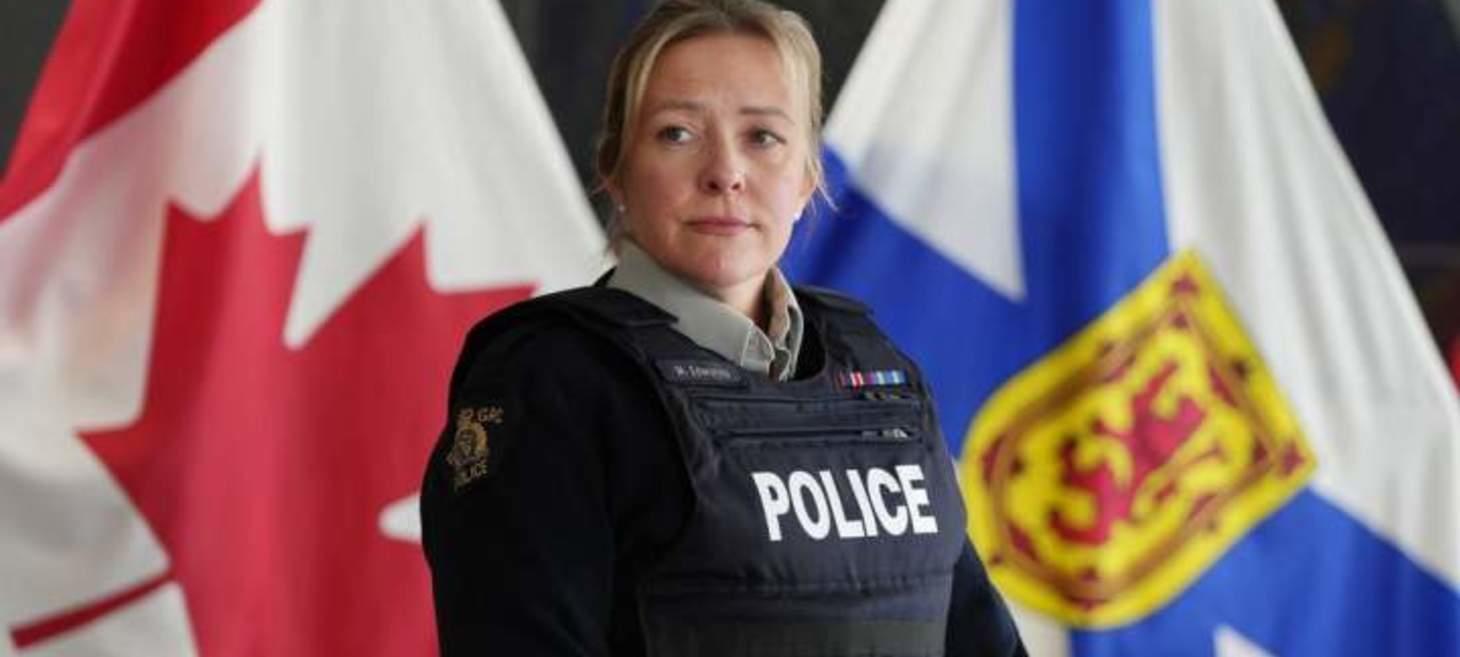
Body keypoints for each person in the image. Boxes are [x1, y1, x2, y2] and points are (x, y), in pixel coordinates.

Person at [420, 1, 1027, 655]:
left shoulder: (882, 379)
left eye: (763, 137)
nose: (725, 173)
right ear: (615, 169)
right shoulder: (548, 384)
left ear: (807, 177)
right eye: (677, 133)